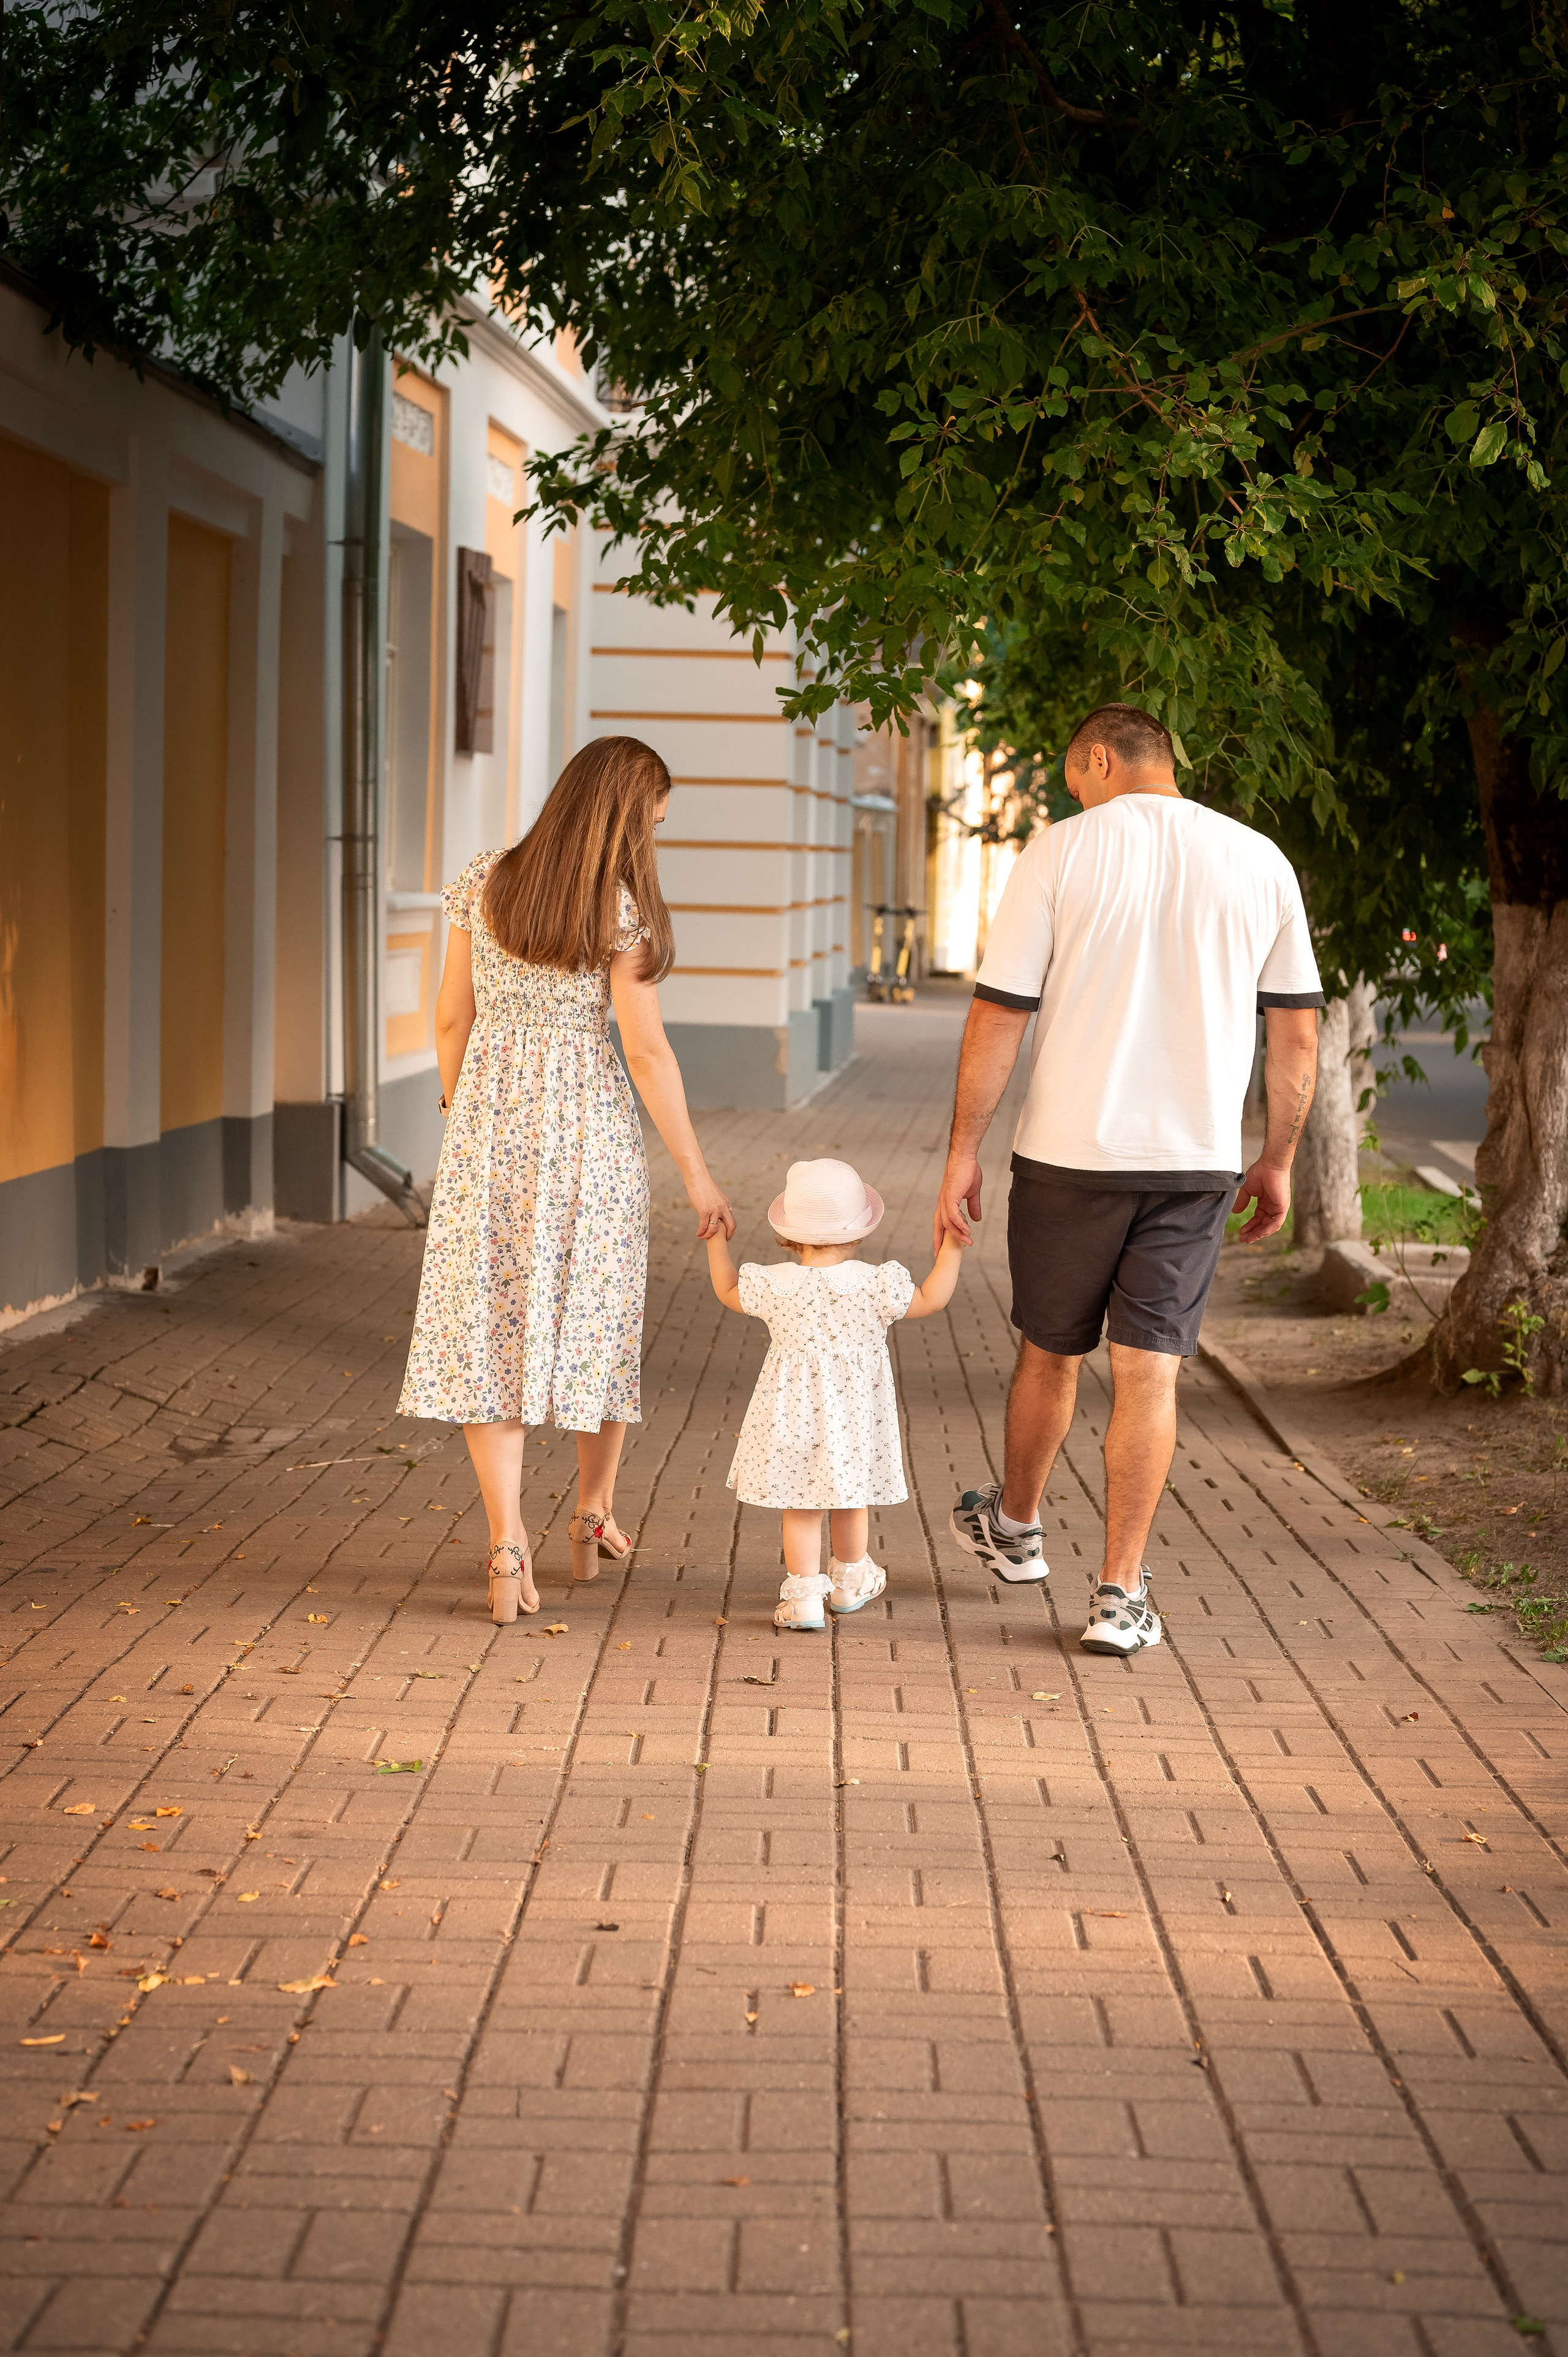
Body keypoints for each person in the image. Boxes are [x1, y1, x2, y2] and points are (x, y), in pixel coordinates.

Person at [935, 703, 1322, 1657]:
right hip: (1195, 1164)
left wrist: (961, 1149)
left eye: (1076, 779)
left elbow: (999, 1014)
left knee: (1049, 1351)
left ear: (1100, 758)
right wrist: (1277, 1158)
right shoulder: (1261, 861)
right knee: (1151, 1372)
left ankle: (1016, 1529)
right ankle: (1118, 1596)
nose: (1078, 797)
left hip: (1068, 1155)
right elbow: (1297, 1031)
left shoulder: (1058, 854)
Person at [399, 736, 734, 1624]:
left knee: (489, 1332)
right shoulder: (621, 910)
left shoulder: (483, 881)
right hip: (589, 1138)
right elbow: (647, 1054)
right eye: (649, 824)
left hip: (488, 1134)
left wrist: (462, 1114)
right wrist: (699, 1177)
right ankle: (590, 1513)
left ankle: (506, 1544)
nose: (649, 842)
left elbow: (450, 1018)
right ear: (623, 819)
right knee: (597, 1319)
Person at [707, 1159, 965, 1631]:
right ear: (860, 1228)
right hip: (854, 1417)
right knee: (851, 1494)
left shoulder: (775, 1283)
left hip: (791, 1414)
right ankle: (849, 1584)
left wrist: (715, 1242)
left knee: (802, 1503)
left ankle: (804, 1599)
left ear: (790, 1233)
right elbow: (932, 1299)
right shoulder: (875, 1283)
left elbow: (727, 1290)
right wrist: (952, 1245)